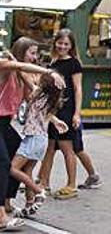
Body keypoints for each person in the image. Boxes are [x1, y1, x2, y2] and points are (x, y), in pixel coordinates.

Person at [0, 40, 64, 230]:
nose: (35, 58)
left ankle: (7, 201)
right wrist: (49, 72)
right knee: (4, 164)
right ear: (21, 52)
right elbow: (18, 65)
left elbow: (35, 103)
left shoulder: (22, 77)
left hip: (4, 123)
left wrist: (54, 120)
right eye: (32, 53)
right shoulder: (4, 64)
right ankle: (1, 216)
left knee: (14, 153)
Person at [36, 30, 101, 200]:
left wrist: (77, 113)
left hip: (66, 110)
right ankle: (44, 182)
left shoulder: (74, 64)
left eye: (66, 44)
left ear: (71, 46)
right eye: (60, 43)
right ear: (55, 43)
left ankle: (71, 184)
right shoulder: (52, 61)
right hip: (52, 109)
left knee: (68, 149)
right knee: (49, 148)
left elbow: (78, 89)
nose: (62, 46)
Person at [11, 73, 68, 218]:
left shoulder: (39, 95)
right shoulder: (49, 98)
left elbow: (25, 76)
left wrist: (15, 62)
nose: (36, 76)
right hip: (41, 139)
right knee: (27, 170)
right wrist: (56, 121)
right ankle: (30, 203)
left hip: (34, 139)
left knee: (12, 168)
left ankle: (38, 191)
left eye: (39, 76)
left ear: (44, 84)